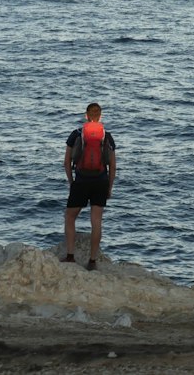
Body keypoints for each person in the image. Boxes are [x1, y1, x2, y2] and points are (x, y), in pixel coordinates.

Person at [63, 102, 116, 270]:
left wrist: (72, 182)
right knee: (96, 221)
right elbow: (113, 165)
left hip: (81, 180)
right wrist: (109, 187)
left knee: (70, 217)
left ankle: (70, 256)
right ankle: (92, 261)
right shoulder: (106, 136)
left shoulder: (76, 134)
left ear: (86, 116)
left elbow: (66, 161)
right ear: (100, 117)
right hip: (100, 181)